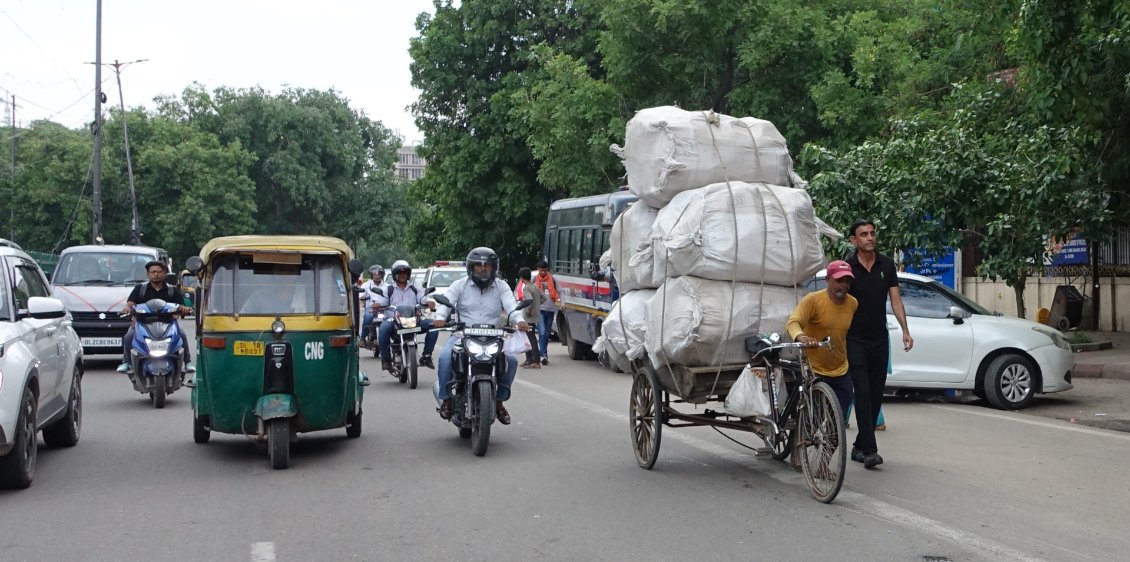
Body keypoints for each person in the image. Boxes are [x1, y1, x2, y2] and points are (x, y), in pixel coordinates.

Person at [432, 247, 529, 425]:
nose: (483, 269)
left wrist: (519, 320)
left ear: (494, 268)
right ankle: (446, 400)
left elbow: (511, 306)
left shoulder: (501, 286)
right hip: (463, 335)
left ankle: (498, 402)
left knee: (512, 361)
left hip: (493, 336)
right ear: (471, 267)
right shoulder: (459, 285)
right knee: (445, 357)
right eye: (479, 266)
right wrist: (440, 318)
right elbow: (446, 303)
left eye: (487, 266)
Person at [844, 219, 913, 468]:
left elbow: (895, 300)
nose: (870, 238)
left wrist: (905, 330)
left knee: (875, 394)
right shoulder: (848, 267)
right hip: (854, 339)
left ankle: (859, 446)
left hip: (879, 338)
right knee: (861, 392)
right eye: (864, 234)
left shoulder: (886, 264)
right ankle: (870, 450)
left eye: (872, 233)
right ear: (854, 240)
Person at [785, 260, 858, 455]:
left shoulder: (852, 303)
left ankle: (825, 463)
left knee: (838, 420)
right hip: (814, 367)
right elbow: (793, 323)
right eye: (839, 280)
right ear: (828, 280)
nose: (844, 284)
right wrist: (802, 337)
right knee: (814, 414)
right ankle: (800, 450)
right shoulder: (813, 300)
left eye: (847, 281)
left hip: (840, 367)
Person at [117, 261, 193, 374]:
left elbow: (182, 307)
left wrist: (185, 309)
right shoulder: (140, 289)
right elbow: (130, 304)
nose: (156, 274)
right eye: (153, 272)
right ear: (148, 274)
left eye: (159, 272)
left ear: (164, 273)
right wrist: (128, 309)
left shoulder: (173, 290)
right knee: (129, 336)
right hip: (143, 323)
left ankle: (188, 363)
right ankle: (126, 362)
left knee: (181, 334)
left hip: (168, 323)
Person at [376, 260, 438, 371]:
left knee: (434, 326)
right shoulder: (389, 289)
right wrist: (377, 305)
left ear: (408, 274)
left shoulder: (414, 289)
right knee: (383, 329)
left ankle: (426, 356)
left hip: (413, 320)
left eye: (404, 273)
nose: (402, 275)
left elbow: (422, 298)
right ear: (395, 275)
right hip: (394, 320)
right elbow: (383, 301)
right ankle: (386, 360)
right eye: (399, 273)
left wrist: (428, 302)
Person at [533, 260, 562, 365]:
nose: (543, 273)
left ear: (548, 270)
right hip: (539, 309)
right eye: (541, 270)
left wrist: (563, 303)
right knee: (542, 331)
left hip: (550, 310)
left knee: (546, 333)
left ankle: (543, 354)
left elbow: (560, 291)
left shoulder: (553, 279)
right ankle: (542, 355)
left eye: (545, 271)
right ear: (538, 270)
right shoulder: (535, 279)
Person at [515, 267, 543, 368]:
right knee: (529, 337)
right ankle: (529, 359)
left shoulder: (526, 287)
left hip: (528, 316)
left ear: (522, 278)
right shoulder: (535, 286)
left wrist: (529, 310)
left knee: (530, 339)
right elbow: (543, 298)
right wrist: (537, 306)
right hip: (535, 315)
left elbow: (529, 300)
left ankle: (535, 360)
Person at [360, 265, 386, 344]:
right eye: (375, 274)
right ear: (371, 275)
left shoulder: (387, 286)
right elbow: (360, 295)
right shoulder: (366, 285)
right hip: (371, 309)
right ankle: (362, 338)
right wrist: (363, 297)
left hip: (384, 309)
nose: (377, 276)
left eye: (379, 274)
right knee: (367, 317)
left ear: (382, 275)